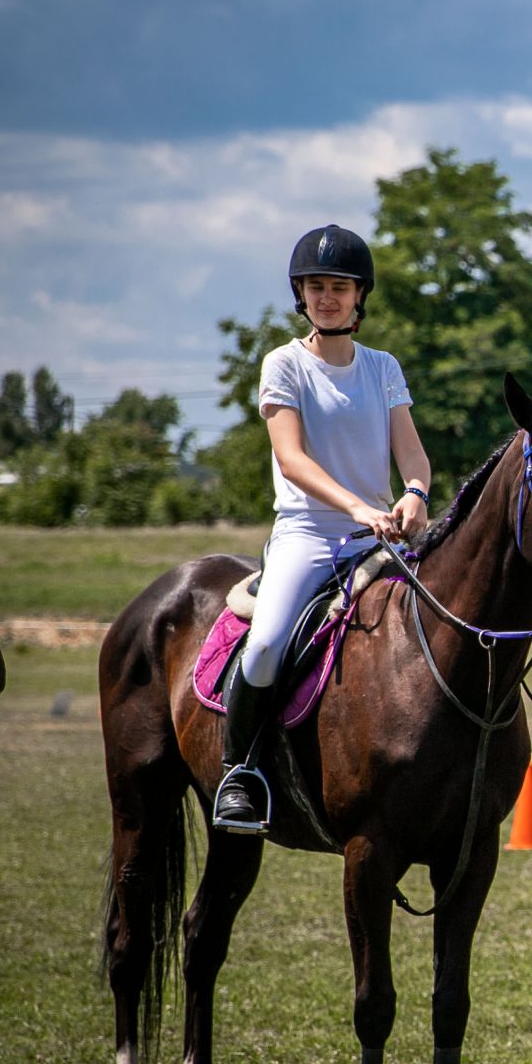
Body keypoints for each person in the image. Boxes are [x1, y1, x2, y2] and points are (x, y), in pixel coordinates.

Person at [213, 224, 433, 834]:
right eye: (316, 286)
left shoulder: (383, 367)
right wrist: (357, 506)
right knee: (265, 641)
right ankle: (241, 770)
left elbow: (412, 456)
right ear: (300, 294)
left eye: (339, 287)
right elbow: (293, 460)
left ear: (360, 296)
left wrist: (414, 493)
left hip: (381, 535)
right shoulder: (283, 364)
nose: (327, 297)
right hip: (308, 535)